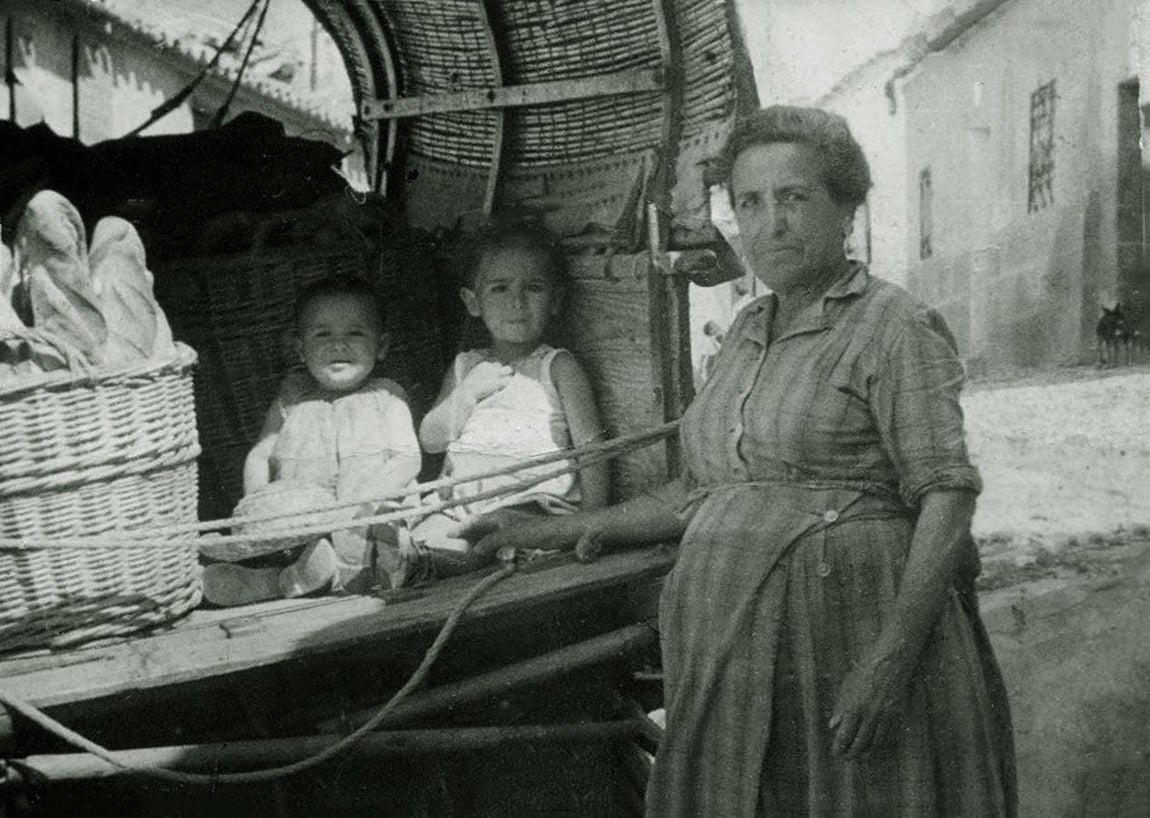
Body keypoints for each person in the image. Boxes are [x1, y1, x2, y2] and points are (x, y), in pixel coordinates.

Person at [459, 107, 1016, 816]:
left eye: (793, 198)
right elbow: (698, 490)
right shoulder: (750, 329)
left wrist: (888, 663)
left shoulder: (892, 325)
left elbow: (946, 496)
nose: (769, 223)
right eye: (750, 202)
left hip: (852, 644)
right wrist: (531, 532)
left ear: (846, 207)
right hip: (738, 662)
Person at [387, 221, 609, 587]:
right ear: (473, 302)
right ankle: (410, 558)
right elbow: (431, 439)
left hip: (530, 504)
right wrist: (468, 392)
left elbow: (592, 449)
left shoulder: (558, 367)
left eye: (533, 288)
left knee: (492, 535)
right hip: (462, 504)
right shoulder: (465, 367)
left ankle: (435, 562)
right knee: (426, 530)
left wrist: (593, 521)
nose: (516, 302)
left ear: (555, 300)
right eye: (500, 288)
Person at [202, 274, 422, 606]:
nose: (338, 344)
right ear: (300, 349)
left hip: (365, 515)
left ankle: (289, 582)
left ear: (381, 347)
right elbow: (261, 455)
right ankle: (284, 576)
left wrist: (371, 499)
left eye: (355, 333)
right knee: (283, 544)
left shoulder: (387, 396)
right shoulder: (291, 400)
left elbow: (408, 457)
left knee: (382, 544)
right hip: (301, 524)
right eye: (322, 334)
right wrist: (258, 507)